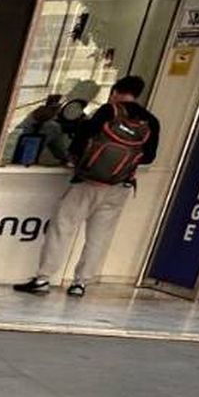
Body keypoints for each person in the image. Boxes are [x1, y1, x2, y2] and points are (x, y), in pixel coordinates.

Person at [13, 75, 159, 298]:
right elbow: (148, 157)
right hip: (120, 186)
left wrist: (79, 159)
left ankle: (43, 279)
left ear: (116, 91)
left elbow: (81, 138)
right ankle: (80, 283)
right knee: (99, 236)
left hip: (88, 182)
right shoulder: (151, 121)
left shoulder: (108, 111)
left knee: (63, 226)